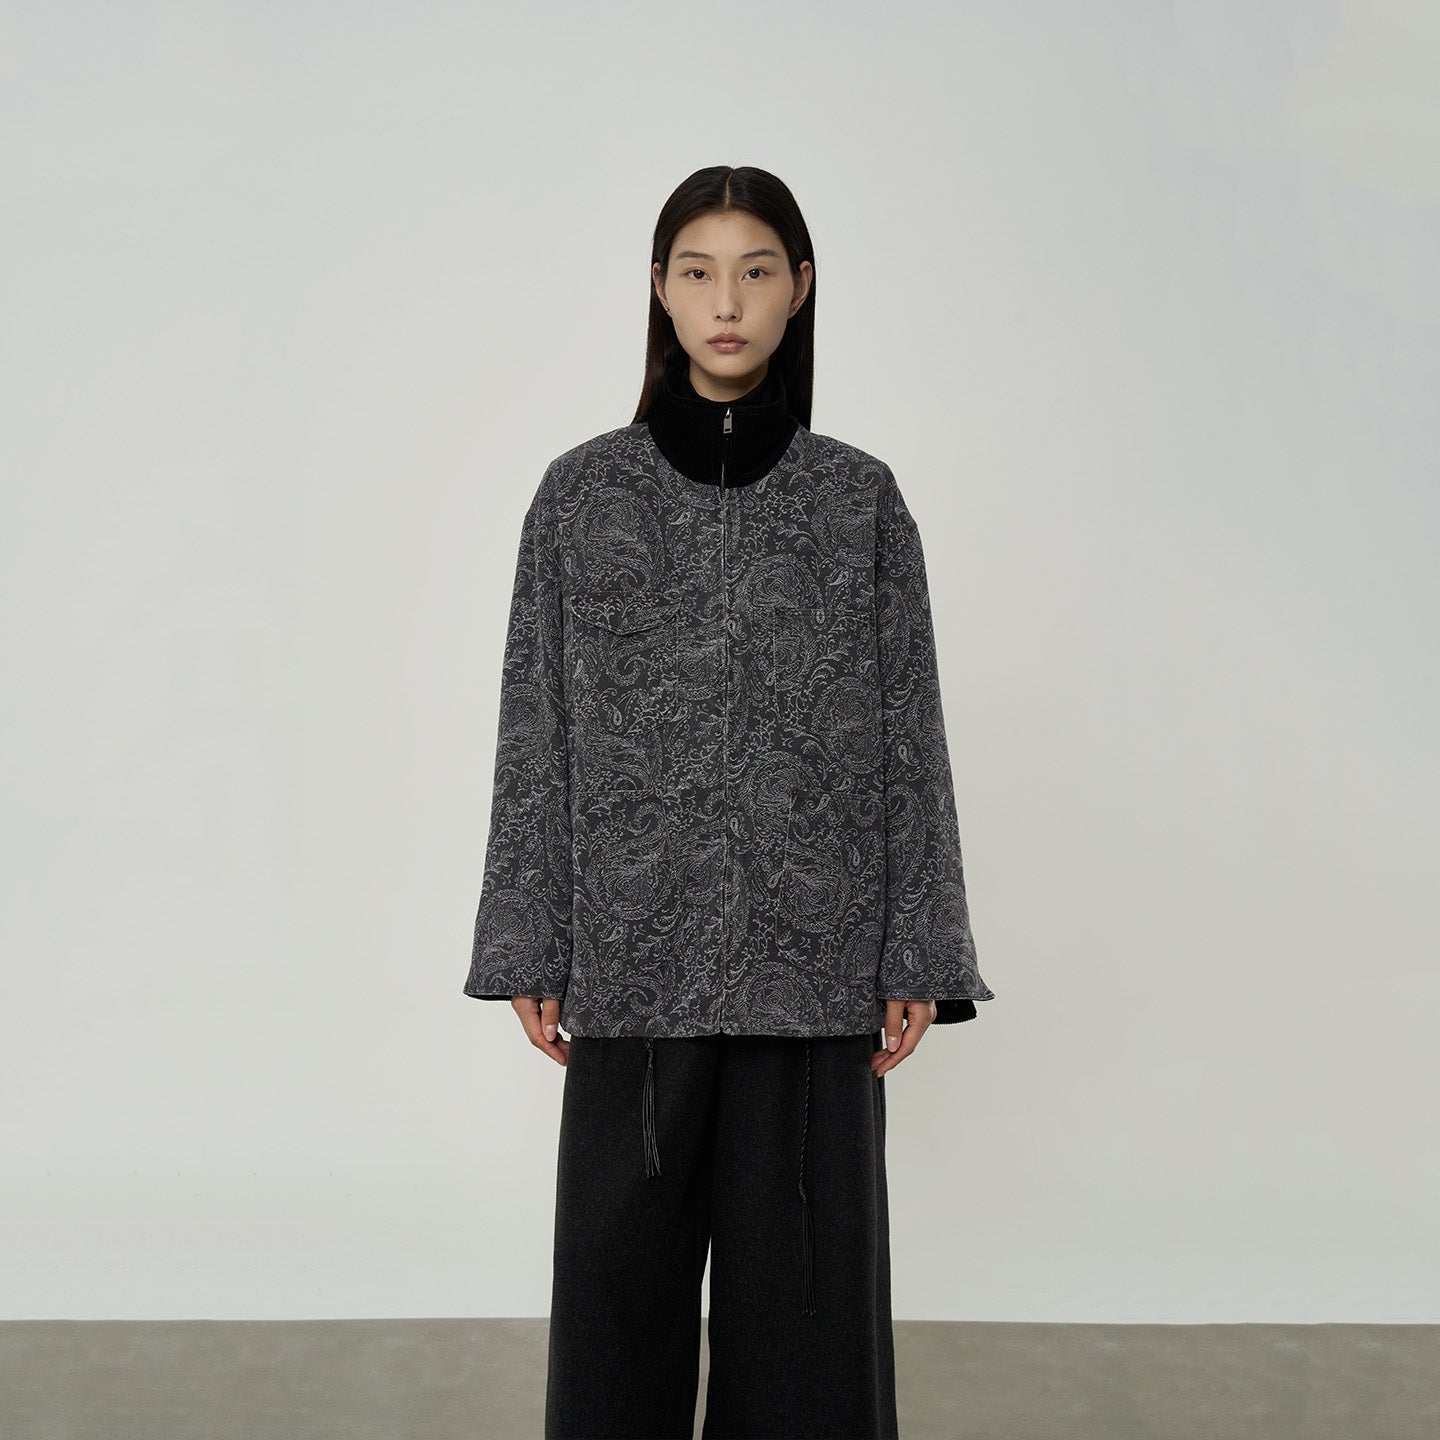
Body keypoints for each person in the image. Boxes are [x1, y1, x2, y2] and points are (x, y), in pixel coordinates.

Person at [463, 164, 996, 1440]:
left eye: (756, 272)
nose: (726, 303)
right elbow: (537, 723)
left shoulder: (859, 502)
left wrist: (917, 951)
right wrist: (530, 937)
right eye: (698, 272)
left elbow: (909, 732)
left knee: (807, 1327)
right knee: (616, 1311)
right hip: (632, 963)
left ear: (799, 289)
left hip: (812, 971)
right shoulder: (580, 497)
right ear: (659, 288)